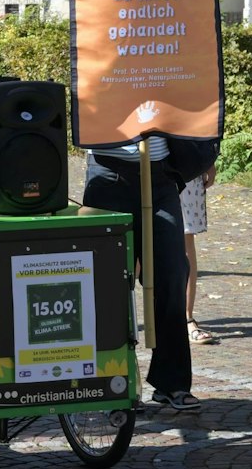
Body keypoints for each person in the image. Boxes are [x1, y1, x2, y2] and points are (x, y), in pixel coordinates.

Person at [81, 131, 216, 412]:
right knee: (108, 280)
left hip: (160, 175)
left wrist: (202, 152)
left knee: (173, 270)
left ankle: (172, 382)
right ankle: (111, 381)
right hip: (108, 173)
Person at [182, 165, 219, 345]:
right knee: (135, 243)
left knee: (185, 239)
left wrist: (207, 162)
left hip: (182, 165)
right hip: (135, 163)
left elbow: (200, 134)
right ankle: (123, 320)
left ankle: (186, 318)